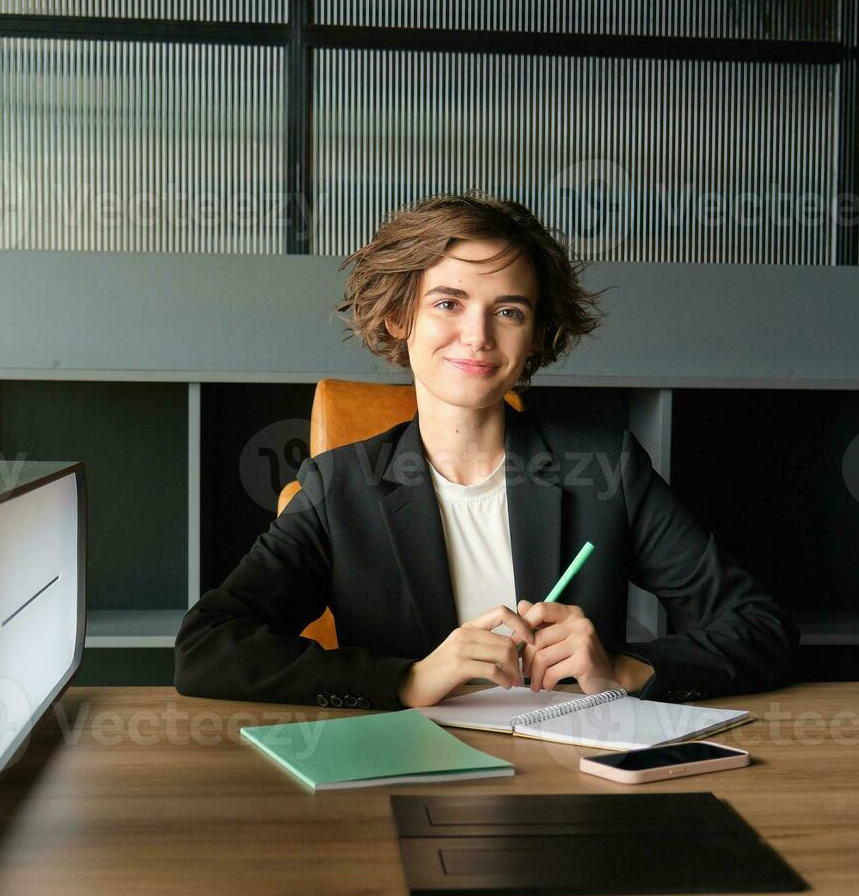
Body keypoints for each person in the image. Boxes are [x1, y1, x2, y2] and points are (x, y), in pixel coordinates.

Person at [174, 192, 797, 708]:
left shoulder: (607, 470)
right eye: (448, 303)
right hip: (407, 775)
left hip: (570, 778)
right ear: (400, 318)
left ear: (533, 338)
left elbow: (762, 629)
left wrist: (624, 669)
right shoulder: (339, 488)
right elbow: (207, 647)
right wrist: (410, 679)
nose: (477, 336)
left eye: (509, 311)